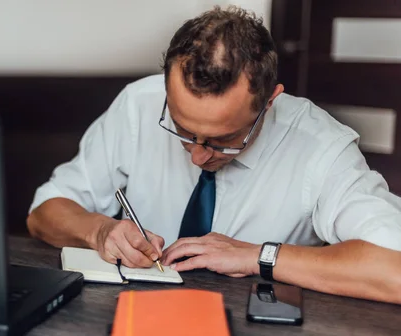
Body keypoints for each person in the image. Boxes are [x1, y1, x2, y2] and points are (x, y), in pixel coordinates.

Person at [26, 6, 401, 304]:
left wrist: (260, 256)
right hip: (133, 316)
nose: (197, 157)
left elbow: (395, 272)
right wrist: (99, 230)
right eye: (182, 130)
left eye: (224, 139)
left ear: (270, 102)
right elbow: (44, 213)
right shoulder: (138, 105)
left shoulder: (321, 147)